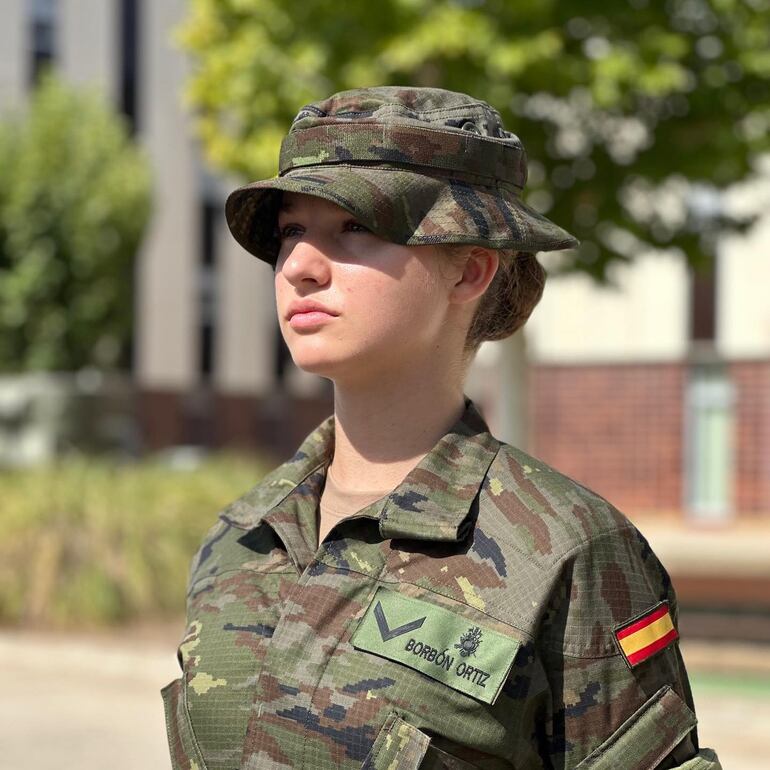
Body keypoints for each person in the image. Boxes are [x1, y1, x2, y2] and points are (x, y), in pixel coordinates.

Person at [161, 86, 722, 770]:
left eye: (354, 227)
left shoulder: (567, 552)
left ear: (470, 271)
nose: (300, 268)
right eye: (291, 232)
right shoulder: (242, 536)